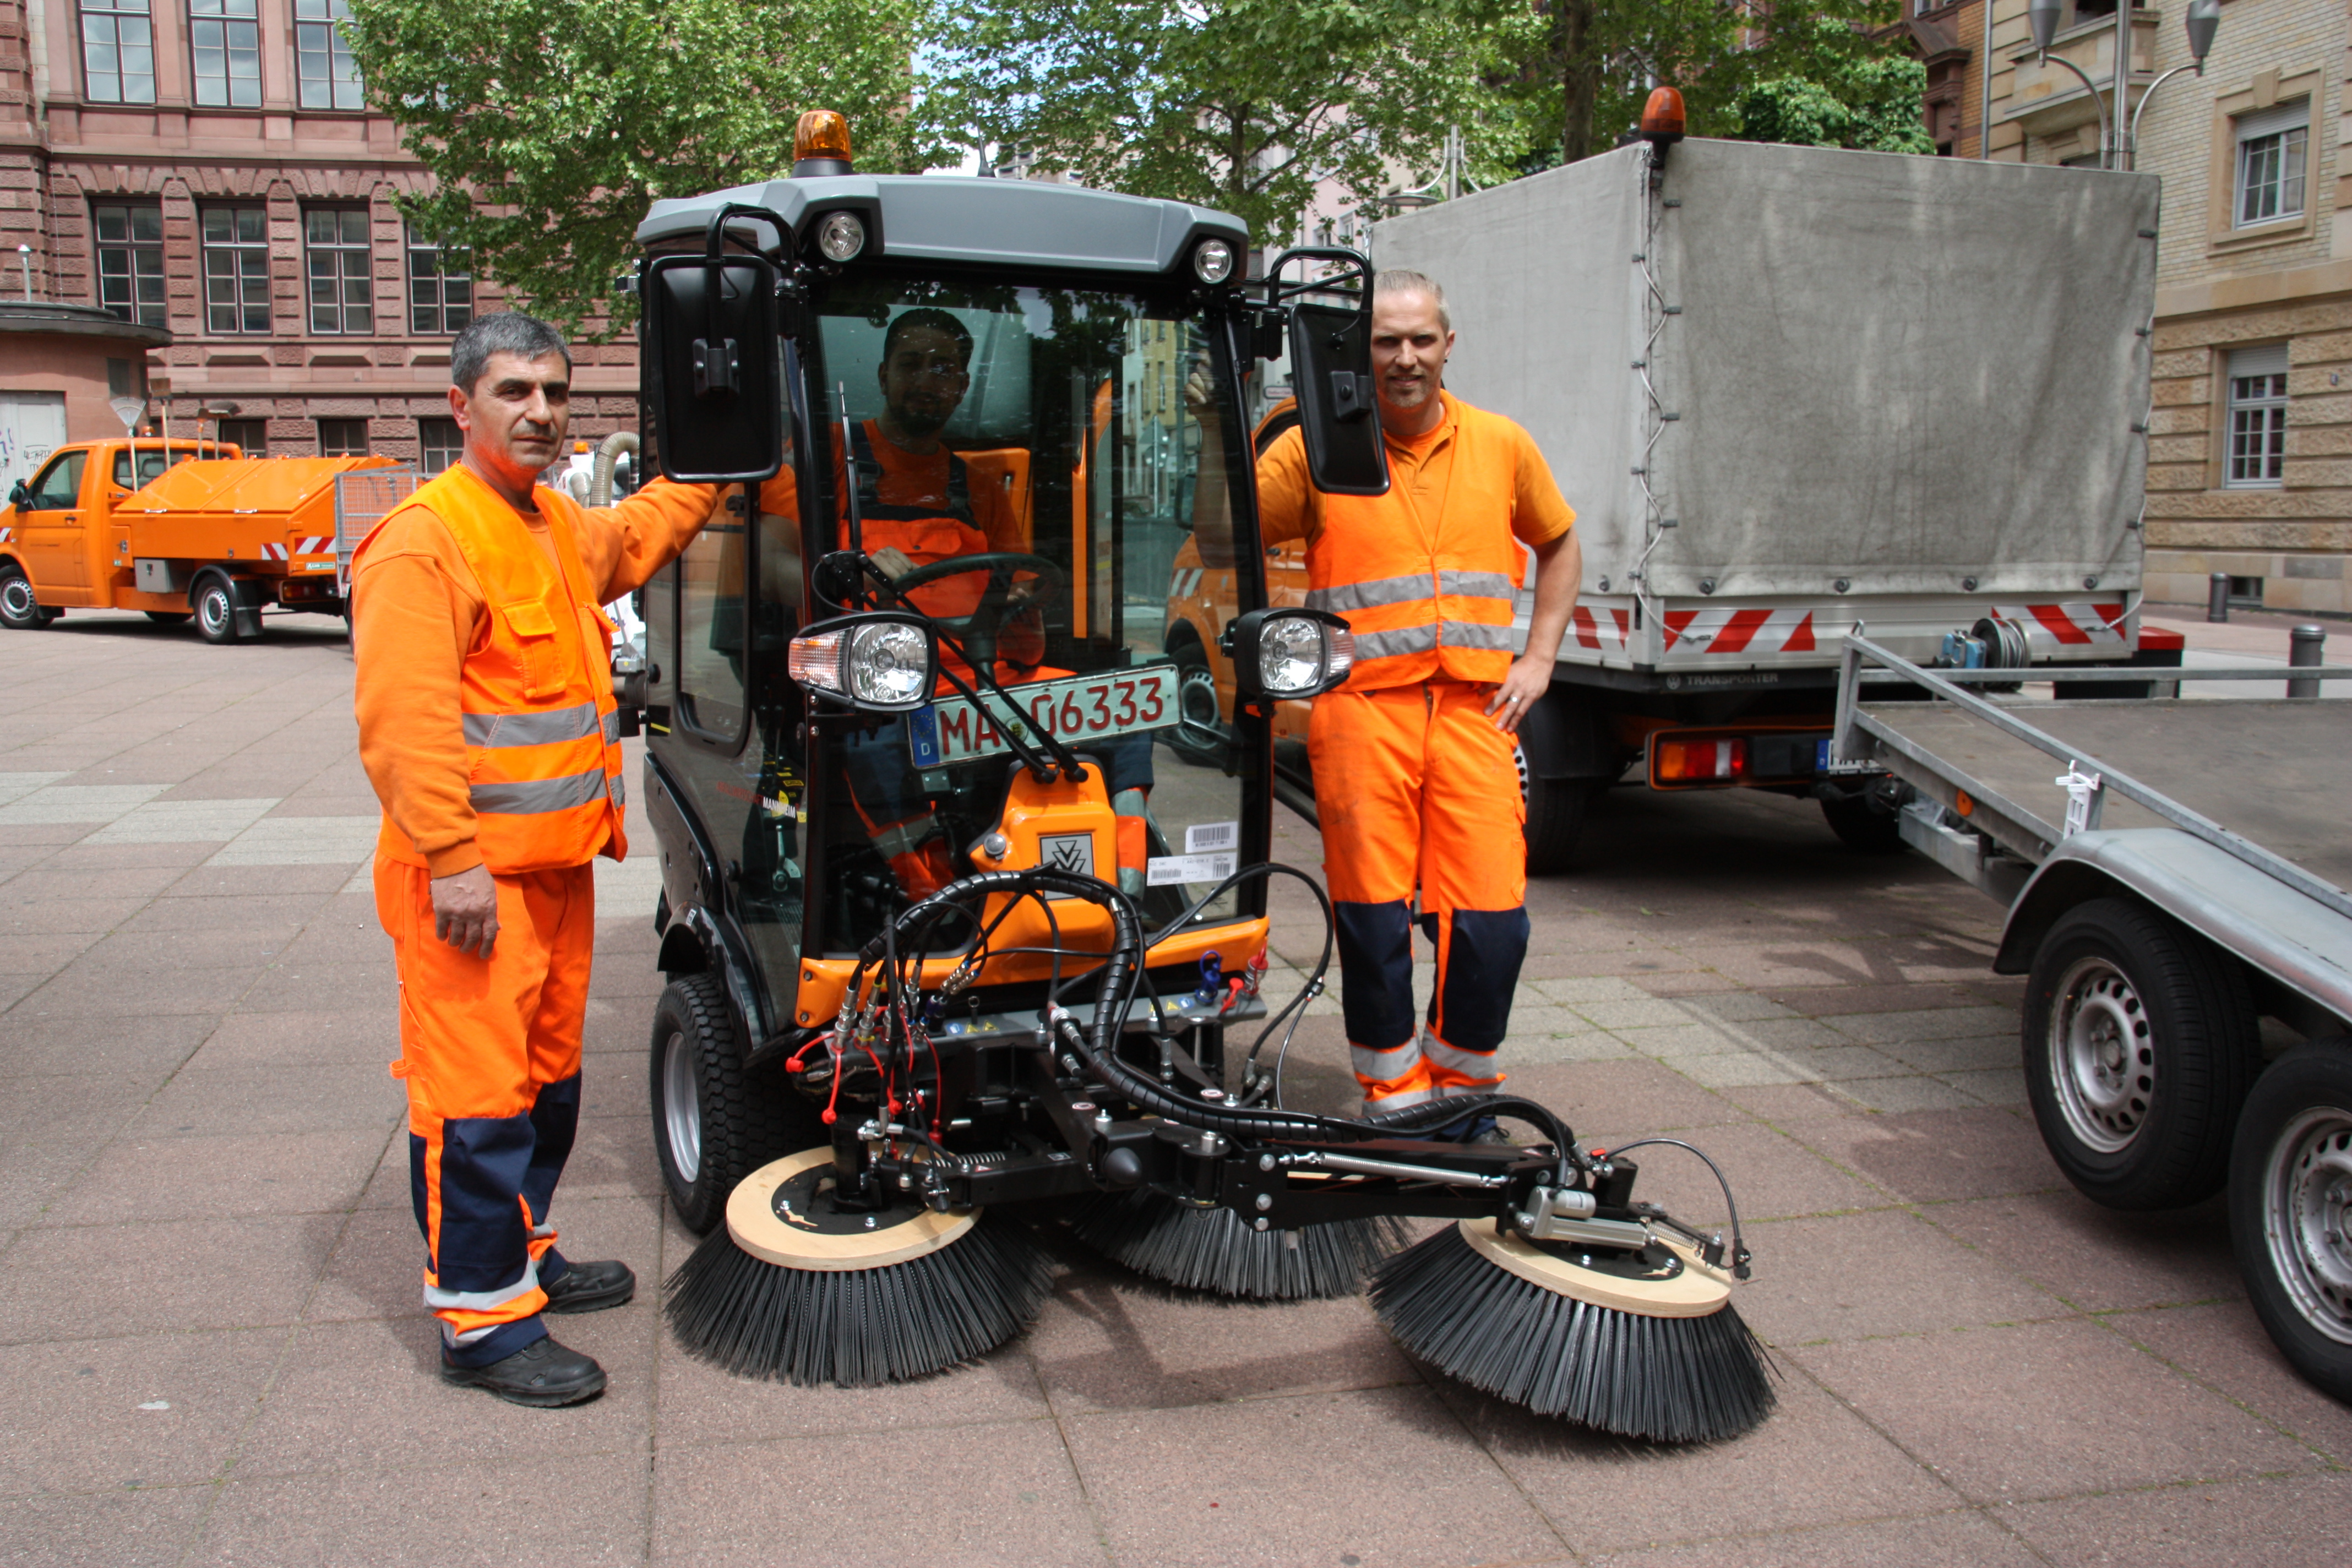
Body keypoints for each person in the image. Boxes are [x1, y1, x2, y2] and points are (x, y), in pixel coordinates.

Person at [351, 312, 719, 1406]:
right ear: (461, 406)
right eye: (514, 391)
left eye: (555, 393)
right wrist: (455, 860)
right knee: (473, 1100)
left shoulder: (555, 522)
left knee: (545, 1084)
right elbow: (402, 724)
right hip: (469, 887)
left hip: (554, 873)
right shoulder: (426, 539)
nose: (541, 412)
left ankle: (523, 1253)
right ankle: (482, 1319)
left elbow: (643, 532)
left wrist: (723, 450)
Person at [1221, 270, 1581, 1119]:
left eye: (1422, 340)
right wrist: (1224, 421)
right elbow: (1222, 526)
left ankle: (1464, 1082)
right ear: (1361, 351)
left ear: (1449, 345)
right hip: (1361, 715)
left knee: (1495, 918)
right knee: (1375, 921)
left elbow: (1560, 546)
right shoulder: (1318, 448)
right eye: (1387, 342)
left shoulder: (1502, 445)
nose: (1406, 358)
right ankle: (1393, 1089)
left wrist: (1540, 660)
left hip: (1476, 713)